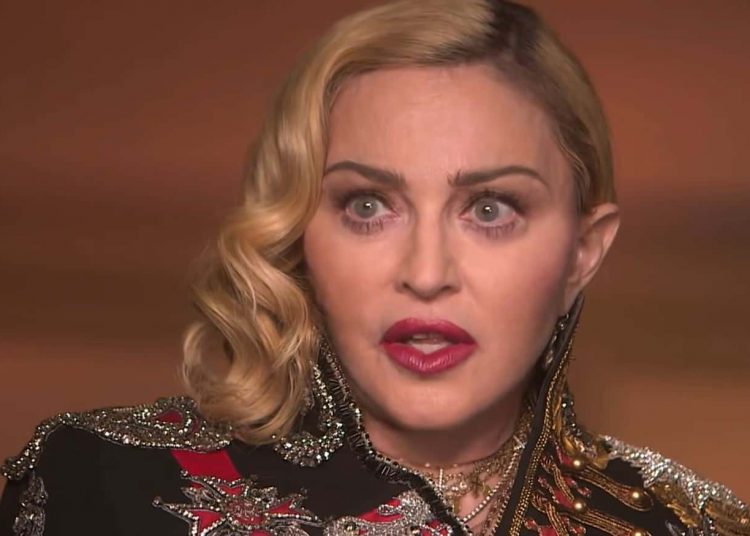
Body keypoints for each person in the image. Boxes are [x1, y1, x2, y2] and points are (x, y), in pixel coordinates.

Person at [1, 1, 747, 535]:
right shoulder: (100, 486)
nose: (426, 272)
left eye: (490, 209)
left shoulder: (691, 526)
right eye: (368, 205)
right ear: (298, 232)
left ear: (584, 252)